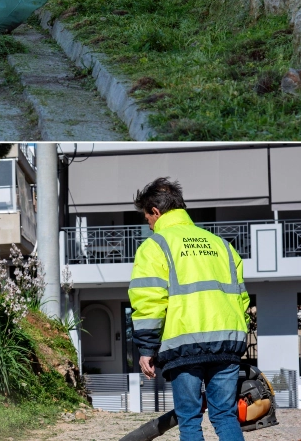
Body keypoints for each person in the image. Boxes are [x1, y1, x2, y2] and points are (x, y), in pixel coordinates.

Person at [128, 177, 249, 441]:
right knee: (225, 416)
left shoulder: (155, 246)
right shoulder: (221, 245)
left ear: (156, 212)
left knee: (190, 420)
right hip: (227, 343)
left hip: (184, 344)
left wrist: (147, 349)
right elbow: (242, 299)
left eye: (147, 217)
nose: (148, 224)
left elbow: (149, 300)